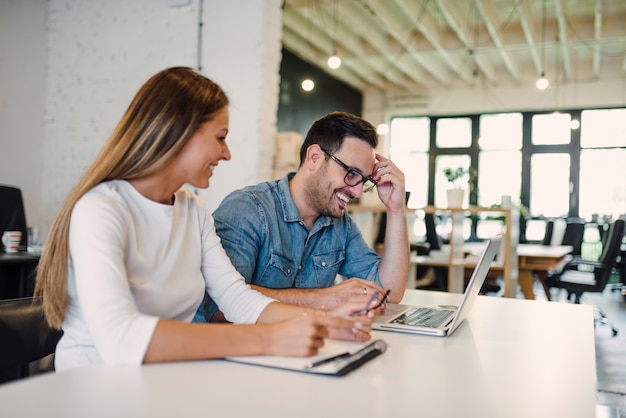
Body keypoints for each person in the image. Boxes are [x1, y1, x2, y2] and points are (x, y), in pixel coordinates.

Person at [33, 67, 376, 372]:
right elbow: (121, 338)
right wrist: (270, 339)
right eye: (220, 137)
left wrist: (326, 324)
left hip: (164, 382)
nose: (226, 153)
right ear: (178, 131)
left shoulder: (192, 210)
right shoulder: (100, 209)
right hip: (92, 391)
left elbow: (237, 299)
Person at [200, 111, 409, 323]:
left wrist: (395, 209)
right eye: (352, 173)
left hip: (302, 348)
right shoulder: (248, 209)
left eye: (364, 181)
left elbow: (388, 293)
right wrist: (326, 299)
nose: (356, 192)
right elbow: (219, 310)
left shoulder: (341, 225)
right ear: (314, 157)